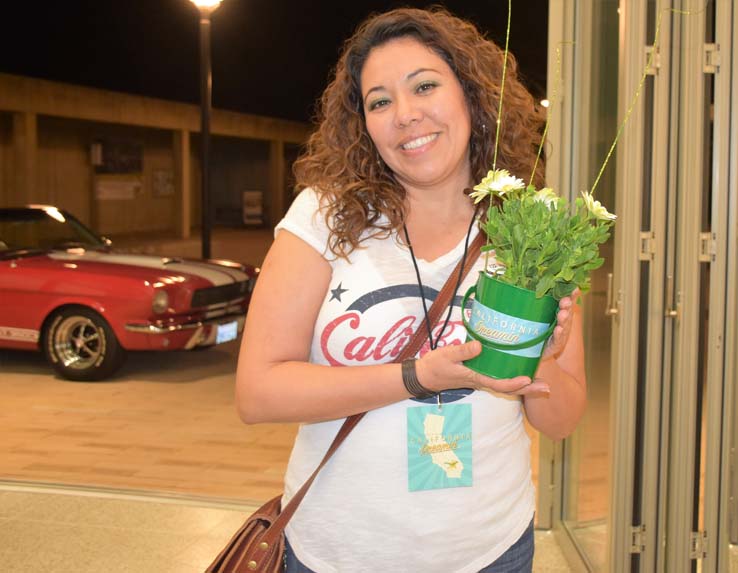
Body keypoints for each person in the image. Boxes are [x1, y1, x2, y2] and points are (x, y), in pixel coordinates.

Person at [236, 7, 586, 572]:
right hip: (336, 552)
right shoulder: (324, 216)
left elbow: (563, 419)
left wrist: (538, 360)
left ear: (472, 96)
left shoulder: (533, 229)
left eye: (424, 86)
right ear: (364, 124)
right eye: (379, 101)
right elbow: (257, 393)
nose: (405, 114)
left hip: (490, 552)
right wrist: (416, 377)